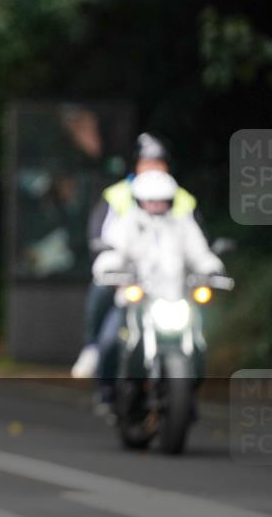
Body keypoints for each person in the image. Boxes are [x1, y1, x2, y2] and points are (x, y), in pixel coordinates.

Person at [71, 133, 202, 378]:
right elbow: (104, 239)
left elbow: (198, 242)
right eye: (147, 162)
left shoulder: (182, 200)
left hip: (171, 285)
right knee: (101, 295)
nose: (153, 168)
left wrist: (207, 266)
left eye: (158, 162)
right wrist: (110, 266)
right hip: (129, 281)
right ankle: (91, 347)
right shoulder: (119, 197)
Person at [91, 170, 224, 404]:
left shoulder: (183, 225)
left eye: (161, 201)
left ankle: (185, 398)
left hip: (175, 300)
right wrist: (108, 268)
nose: (155, 206)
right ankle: (108, 393)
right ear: (139, 201)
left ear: (170, 201)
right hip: (136, 301)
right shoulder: (126, 223)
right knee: (110, 341)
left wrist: (211, 269)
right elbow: (113, 251)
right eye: (150, 201)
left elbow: (200, 253)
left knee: (200, 345)